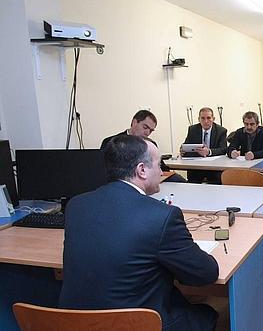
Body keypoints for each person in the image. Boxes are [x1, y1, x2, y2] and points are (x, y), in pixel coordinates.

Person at [60, 135, 220, 331]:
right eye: (158, 165)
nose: (162, 171)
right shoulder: (162, 216)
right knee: (207, 313)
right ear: (142, 170)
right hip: (136, 324)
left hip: (74, 323)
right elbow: (206, 273)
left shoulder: (76, 205)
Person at [101, 110, 186, 182]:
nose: (147, 133)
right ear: (134, 122)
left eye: (151, 130)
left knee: (180, 181)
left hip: (150, 182)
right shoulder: (111, 142)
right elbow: (105, 171)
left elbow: (162, 167)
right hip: (123, 185)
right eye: (145, 127)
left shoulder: (151, 145)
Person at [181, 107, 227, 184]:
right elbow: (186, 145)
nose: (206, 121)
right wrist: (183, 150)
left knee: (216, 180)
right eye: (203, 118)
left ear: (213, 119)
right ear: (199, 119)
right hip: (197, 166)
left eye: (209, 118)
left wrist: (209, 152)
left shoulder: (221, 131)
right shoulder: (192, 129)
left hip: (214, 166)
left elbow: (223, 149)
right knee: (192, 179)